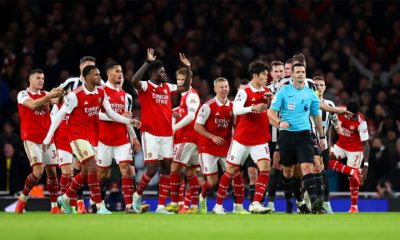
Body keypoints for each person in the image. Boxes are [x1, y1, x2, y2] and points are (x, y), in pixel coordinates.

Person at [43, 65, 140, 214]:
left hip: (93, 137)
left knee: (85, 173)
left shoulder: (101, 92)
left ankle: (66, 197)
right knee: (93, 167)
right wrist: (48, 138)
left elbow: (111, 114)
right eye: (96, 75)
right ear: (87, 77)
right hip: (77, 137)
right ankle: (100, 206)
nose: (99, 77)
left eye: (99, 74)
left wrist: (129, 122)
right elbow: (59, 116)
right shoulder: (75, 95)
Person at [131, 48, 190, 214]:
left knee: (166, 168)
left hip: (166, 134)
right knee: (151, 168)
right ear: (153, 73)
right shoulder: (145, 86)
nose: (165, 74)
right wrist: (147, 63)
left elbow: (185, 87)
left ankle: (161, 206)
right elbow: (134, 80)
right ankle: (137, 196)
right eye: (162, 72)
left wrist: (188, 68)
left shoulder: (167, 87)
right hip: (150, 133)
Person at [214, 59, 273, 214]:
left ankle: (255, 203)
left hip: (260, 138)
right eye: (264, 75)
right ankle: (218, 205)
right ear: (255, 75)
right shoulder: (244, 91)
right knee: (231, 169)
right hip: (243, 138)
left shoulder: (266, 91)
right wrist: (253, 107)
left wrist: (270, 101)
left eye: (267, 75)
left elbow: (269, 111)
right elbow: (236, 109)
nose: (266, 78)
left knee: (265, 168)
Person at [268, 63, 327, 214]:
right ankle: (293, 201)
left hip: (304, 135)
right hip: (286, 136)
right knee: (287, 171)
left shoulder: (311, 93)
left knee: (307, 168)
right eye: (298, 72)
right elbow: (270, 113)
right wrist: (280, 122)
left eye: (303, 72)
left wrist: (322, 136)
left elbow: (316, 115)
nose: (301, 74)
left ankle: (316, 204)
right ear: (292, 74)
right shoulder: (283, 91)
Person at [195, 77, 249, 214]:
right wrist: (212, 137)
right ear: (215, 89)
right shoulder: (208, 106)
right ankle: (202, 196)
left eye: (226, 86)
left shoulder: (233, 106)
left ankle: (239, 207)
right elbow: (197, 126)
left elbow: (236, 126)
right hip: (208, 147)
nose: (224, 89)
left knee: (236, 174)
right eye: (221, 87)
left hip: (226, 147)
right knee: (212, 182)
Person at [95, 62, 142, 214]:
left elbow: (126, 120)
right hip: (104, 139)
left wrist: (134, 137)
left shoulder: (126, 96)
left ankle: (129, 206)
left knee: (126, 169)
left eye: (121, 71)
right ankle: (97, 203)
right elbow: (97, 115)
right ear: (109, 74)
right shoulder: (100, 91)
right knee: (102, 174)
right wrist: (119, 117)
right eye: (117, 71)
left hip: (122, 139)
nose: (120, 74)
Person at [15, 69, 63, 214]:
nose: (41, 80)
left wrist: (61, 95)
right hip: (31, 138)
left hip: (47, 139)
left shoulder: (45, 94)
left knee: (52, 173)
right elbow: (33, 105)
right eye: (37, 78)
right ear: (30, 80)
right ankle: (22, 198)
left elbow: (58, 101)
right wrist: (49, 96)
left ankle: (54, 206)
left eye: (42, 78)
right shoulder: (22, 94)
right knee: (38, 170)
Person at [58, 55, 100, 213]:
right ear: (80, 68)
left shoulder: (98, 85)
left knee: (83, 168)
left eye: (93, 67)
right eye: (87, 66)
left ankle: (69, 200)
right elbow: (57, 96)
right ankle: (79, 203)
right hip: (72, 132)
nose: (90, 70)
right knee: (73, 168)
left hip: (91, 132)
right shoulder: (71, 83)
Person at [166, 67, 201, 214]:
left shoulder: (192, 95)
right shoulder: (184, 95)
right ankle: (194, 206)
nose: (180, 82)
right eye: (179, 80)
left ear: (190, 81)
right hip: (195, 138)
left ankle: (174, 203)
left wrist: (174, 128)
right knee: (190, 172)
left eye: (183, 80)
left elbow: (191, 116)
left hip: (187, 137)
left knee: (174, 168)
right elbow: (183, 111)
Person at [328, 99, 369, 213]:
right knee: (325, 160)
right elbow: (332, 126)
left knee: (352, 179)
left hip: (355, 149)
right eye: (351, 115)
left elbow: (365, 143)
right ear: (346, 111)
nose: (353, 117)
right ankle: (352, 171)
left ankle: (354, 207)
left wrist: (365, 165)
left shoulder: (361, 122)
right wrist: (331, 143)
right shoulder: (339, 112)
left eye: (355, 115)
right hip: (341, 145)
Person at [312, 76, 342, 213]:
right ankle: (308, 202)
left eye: (321, 85)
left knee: (323, 173)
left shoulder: (330, 104)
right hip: (309, 142)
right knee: (309, 173)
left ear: (325, 87)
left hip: (324, 144)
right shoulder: (307, 102)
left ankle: (325, 202)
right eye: (316, 85)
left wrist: (339, 129)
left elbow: (336, 121)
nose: (319, 87)